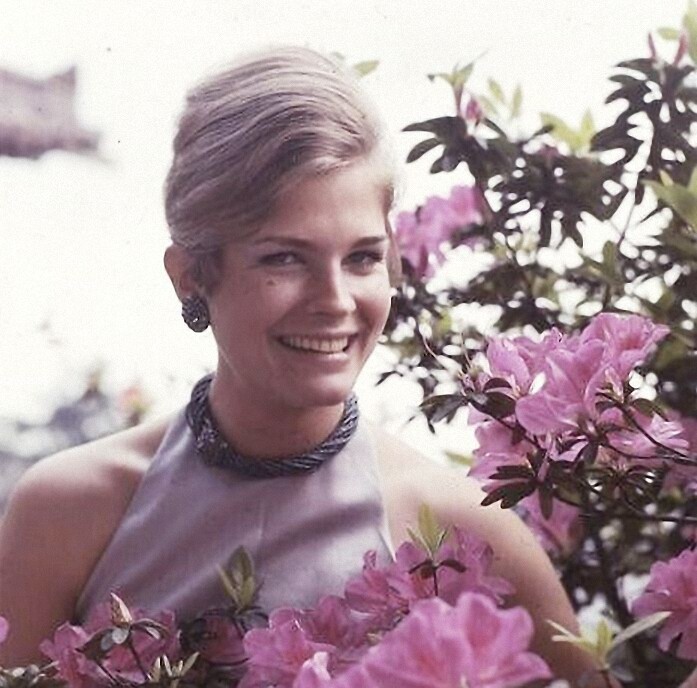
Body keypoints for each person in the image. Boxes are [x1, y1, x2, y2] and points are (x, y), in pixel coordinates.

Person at [0, 46, 601, 684]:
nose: (335, 301)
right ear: (190, 276)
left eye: (363, 258)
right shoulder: (68, 511)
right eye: (284, 258)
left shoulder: (466, 532)